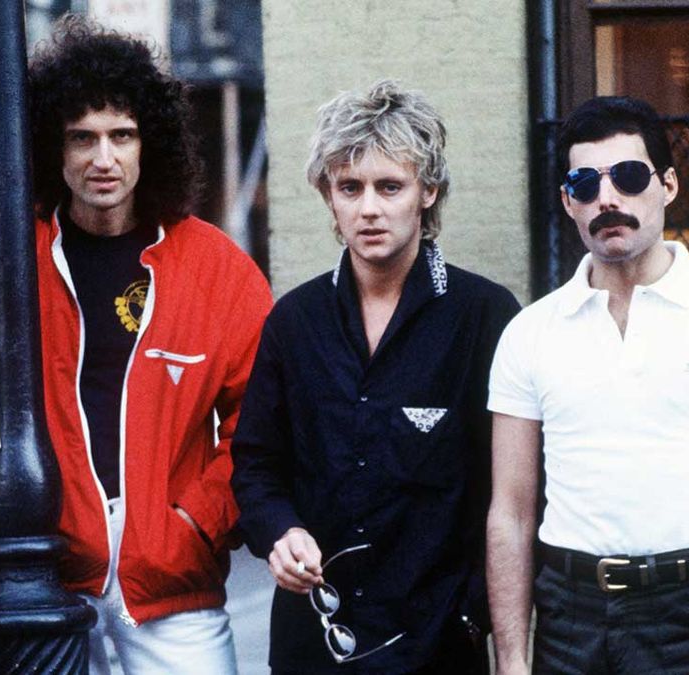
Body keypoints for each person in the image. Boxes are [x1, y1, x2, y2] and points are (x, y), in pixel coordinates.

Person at [0, 16, 272, 675]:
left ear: (152, 144)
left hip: (174, 585)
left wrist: (196, 521)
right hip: (45, 574)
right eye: (81, 138)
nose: (103, 158)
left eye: (123, 135)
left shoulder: (217, 269)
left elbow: (262, 422)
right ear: (50, 149)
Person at [486, 96, 689, 674]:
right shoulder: (529, 333)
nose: (607, 198)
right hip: (567, 615)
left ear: (669, 186)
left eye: (628, 177)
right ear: (567, 202)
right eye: (584, 183)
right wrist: (511, 660)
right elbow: (511, 512)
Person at [231, 79, 520, 674]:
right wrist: (279, 533)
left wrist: (474, 612)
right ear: (328, 197)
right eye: (349, 188)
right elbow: (256, 463)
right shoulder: (294, 321)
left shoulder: (483, 315)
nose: (369, 208)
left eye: (390, 186)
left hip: (436, 642)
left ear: (427, 192)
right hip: (315, 637)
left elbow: (512, 489)